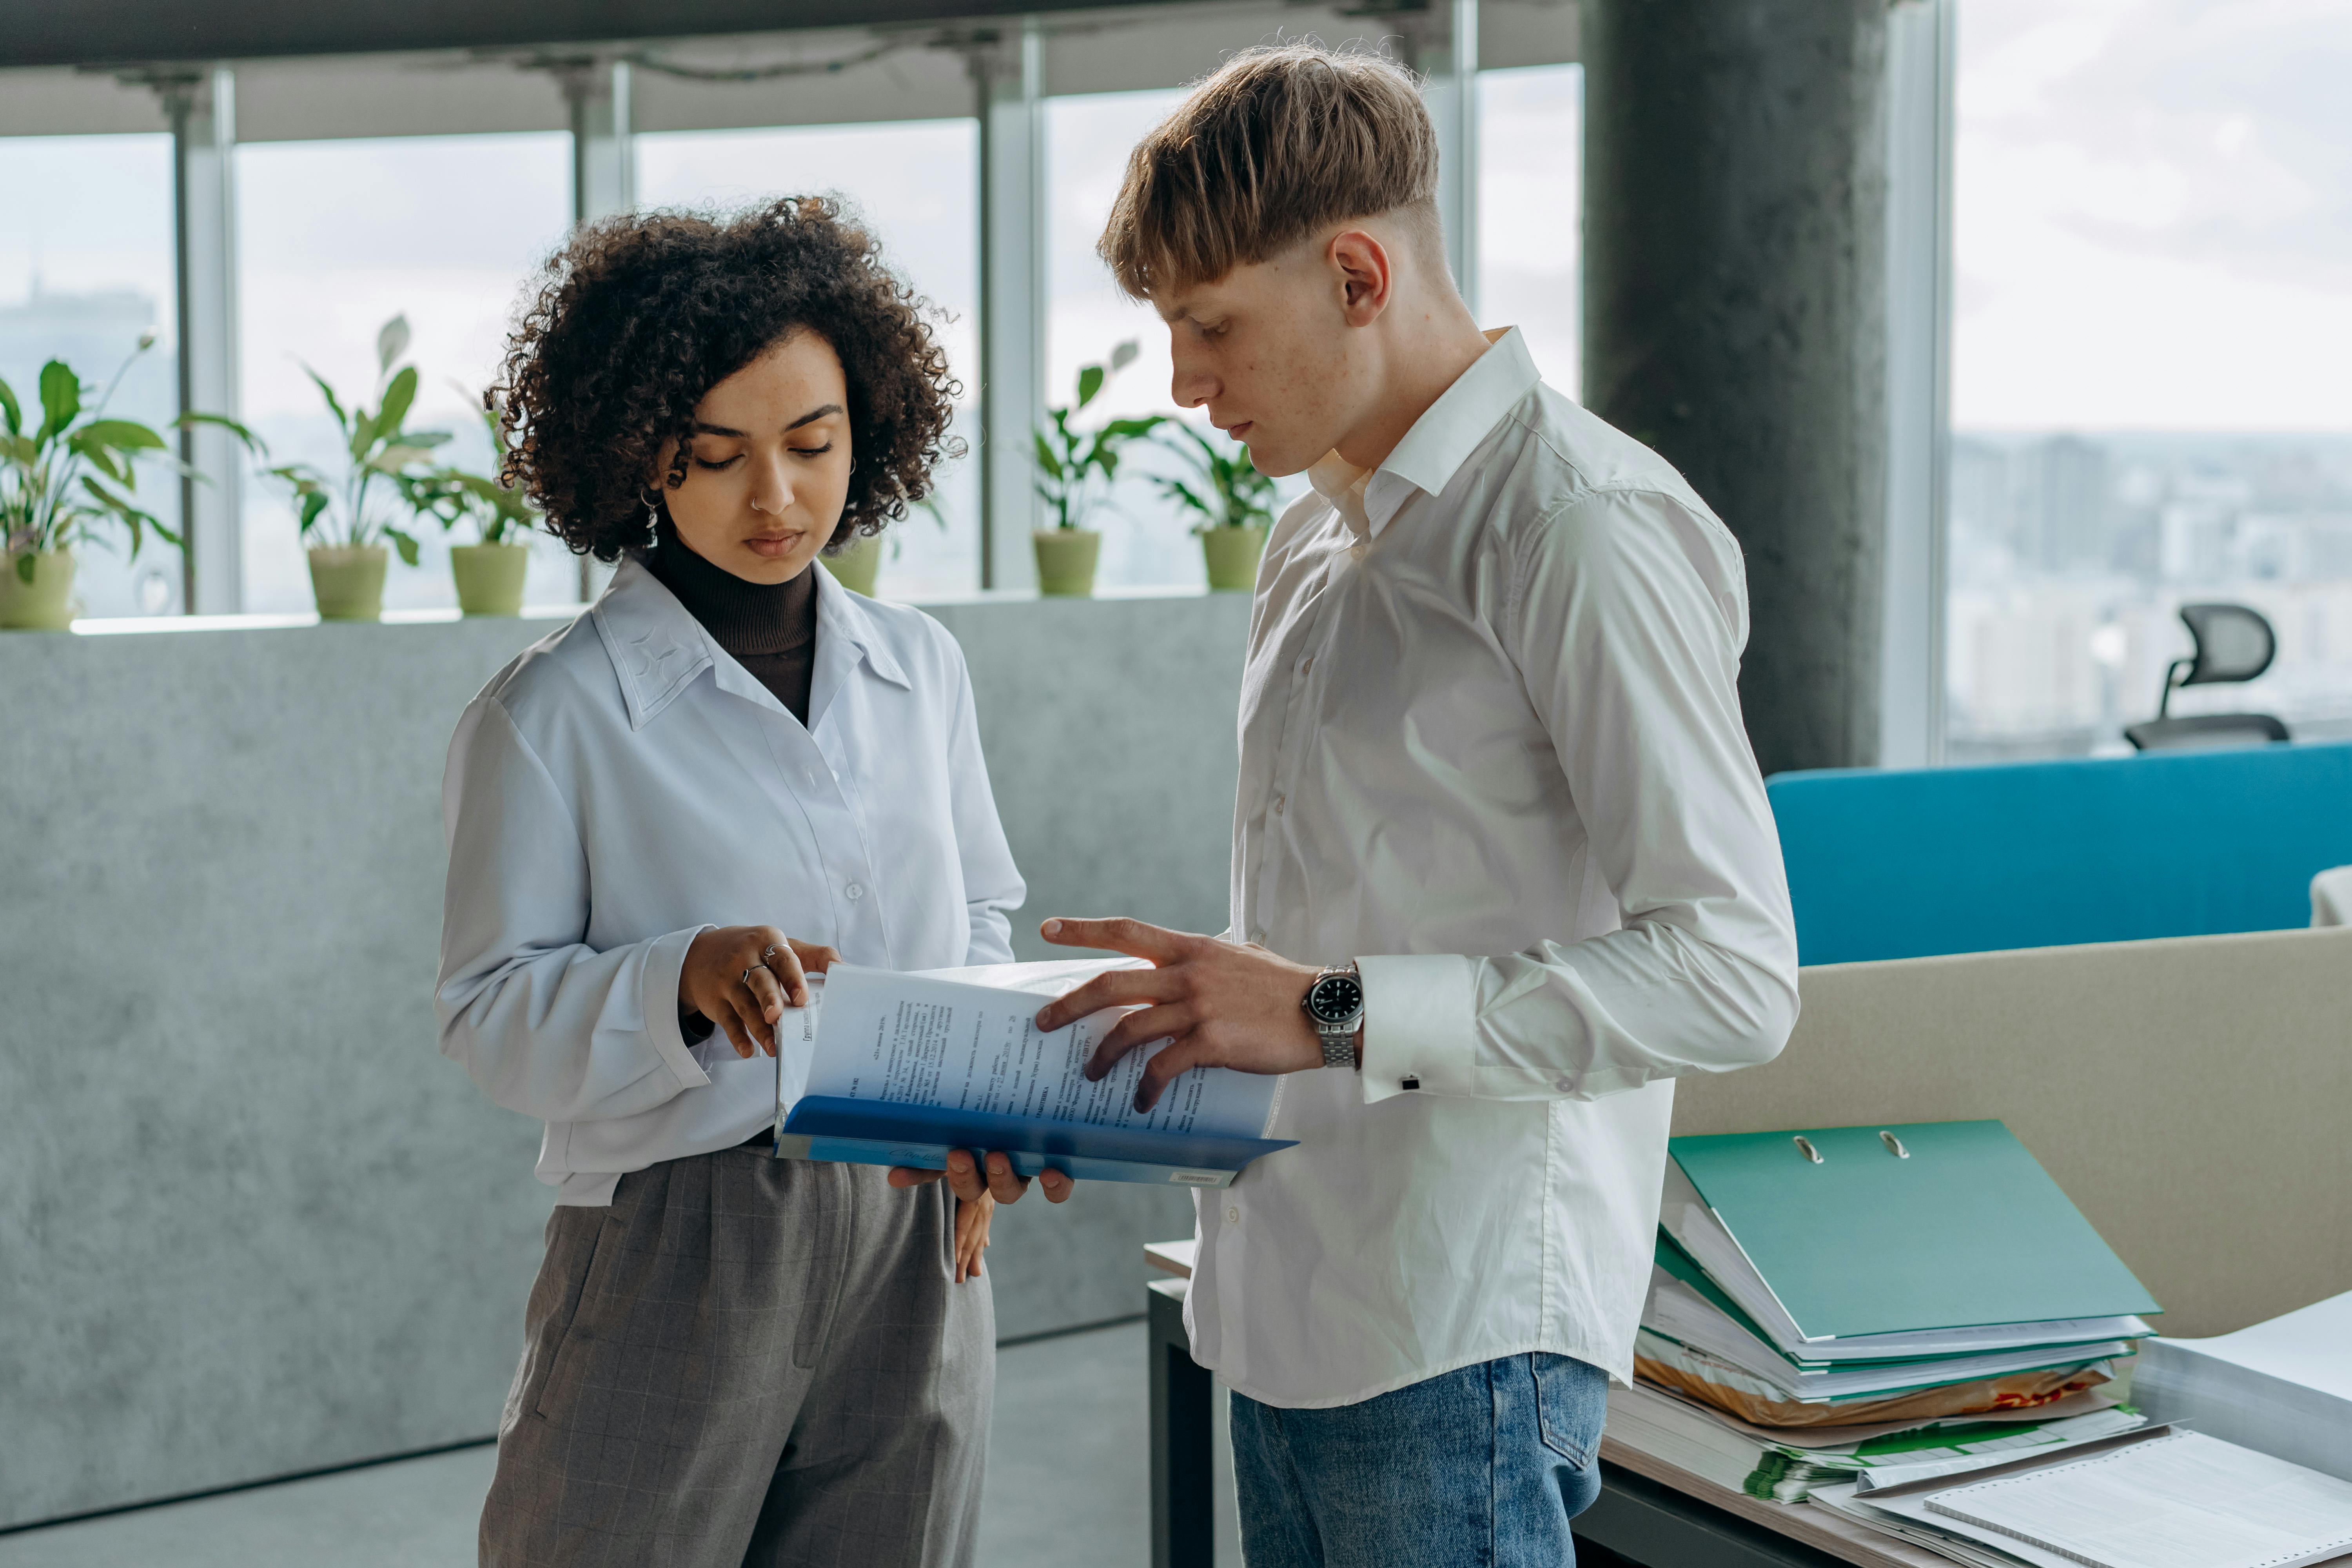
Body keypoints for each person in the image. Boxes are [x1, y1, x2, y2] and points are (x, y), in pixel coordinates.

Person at [1011, 44, 1802, 1566]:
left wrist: (1324, 1009)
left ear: (1359, 275)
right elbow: (1315, 950)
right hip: (1280, 1300)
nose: (1183, 385)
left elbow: (1733, 972)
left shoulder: (1579, 528)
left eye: (1210, 327)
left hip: (1458, 1340)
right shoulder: (1312, 538)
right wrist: (1147, 1053)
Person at [435, 197, 1022, 1568]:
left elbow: (982, 915)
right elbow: (483, 1010)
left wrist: (983, 1100)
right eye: (719, 456)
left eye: (814, 446)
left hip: (918, 1223)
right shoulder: (552, 714)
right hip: (680, 1236)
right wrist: (678, 981)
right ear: (642, 455)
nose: (778, 498)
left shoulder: (921, 668)